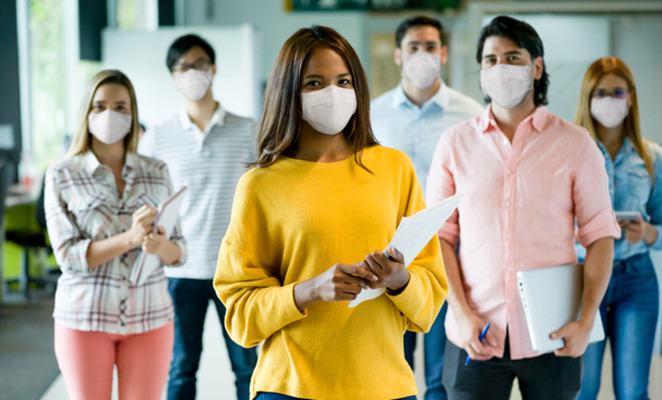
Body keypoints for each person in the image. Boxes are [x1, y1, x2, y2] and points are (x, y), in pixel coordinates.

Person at [213, 26, 448, 400]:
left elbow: (430, 300)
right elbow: (240, 312)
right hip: (290, 388)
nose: (332, 93)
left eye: (343, 81)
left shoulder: (394, 169)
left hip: (385, 387)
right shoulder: (261, 184)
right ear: (289, 91)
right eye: (314, 83)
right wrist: (307, 291)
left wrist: (398, 280)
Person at [426, 16, 622, 400]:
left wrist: (585, 321)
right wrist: (461, 313)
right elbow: (439, 238)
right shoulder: (454, 143)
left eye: (512, 57)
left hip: (555, 333)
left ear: (536, 67)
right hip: (475, 333)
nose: (500, 68)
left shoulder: (575, 143)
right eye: (490, 60)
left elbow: (600, 236)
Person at [46, 69, 186, 400]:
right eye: (100, 106)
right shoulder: (63, 174)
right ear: (87, 113)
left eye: (121, 106)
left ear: (133, 114)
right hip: (84, 319)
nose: (111, 114)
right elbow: (68, 257)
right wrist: (130, 238)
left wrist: (160, 244)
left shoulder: (156, 171)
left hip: (150, 317)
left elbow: (180, 252)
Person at [137, 34, 258, 400]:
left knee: (246, 368)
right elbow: (145, 200)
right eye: (183, 67)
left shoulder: (249, 129)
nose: (193, 73)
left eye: (200, 64)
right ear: (173, 77)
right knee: (181, 368)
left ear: (214, 68)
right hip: (179, 271)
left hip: (235, 270)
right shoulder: (157, 137)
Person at [370, 17, 483, 398]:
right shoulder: (371, 115)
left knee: (440, 376)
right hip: (385, 255)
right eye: (414, 47)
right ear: (399, 55)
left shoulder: (469, 114)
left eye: (431, 47)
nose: (423, 55)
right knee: (389, 367)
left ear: (444, 53)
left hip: (442, 254)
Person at [574, 57, 662, 400]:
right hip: (583, 278)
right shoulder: (572, 153)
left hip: (637, 279)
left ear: (630, 97)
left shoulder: (653, 158)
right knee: (581, 390)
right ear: (587, 98)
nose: (609, 100)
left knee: (633, 392)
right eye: (600, 93)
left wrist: (646, 232)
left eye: (617, 92)